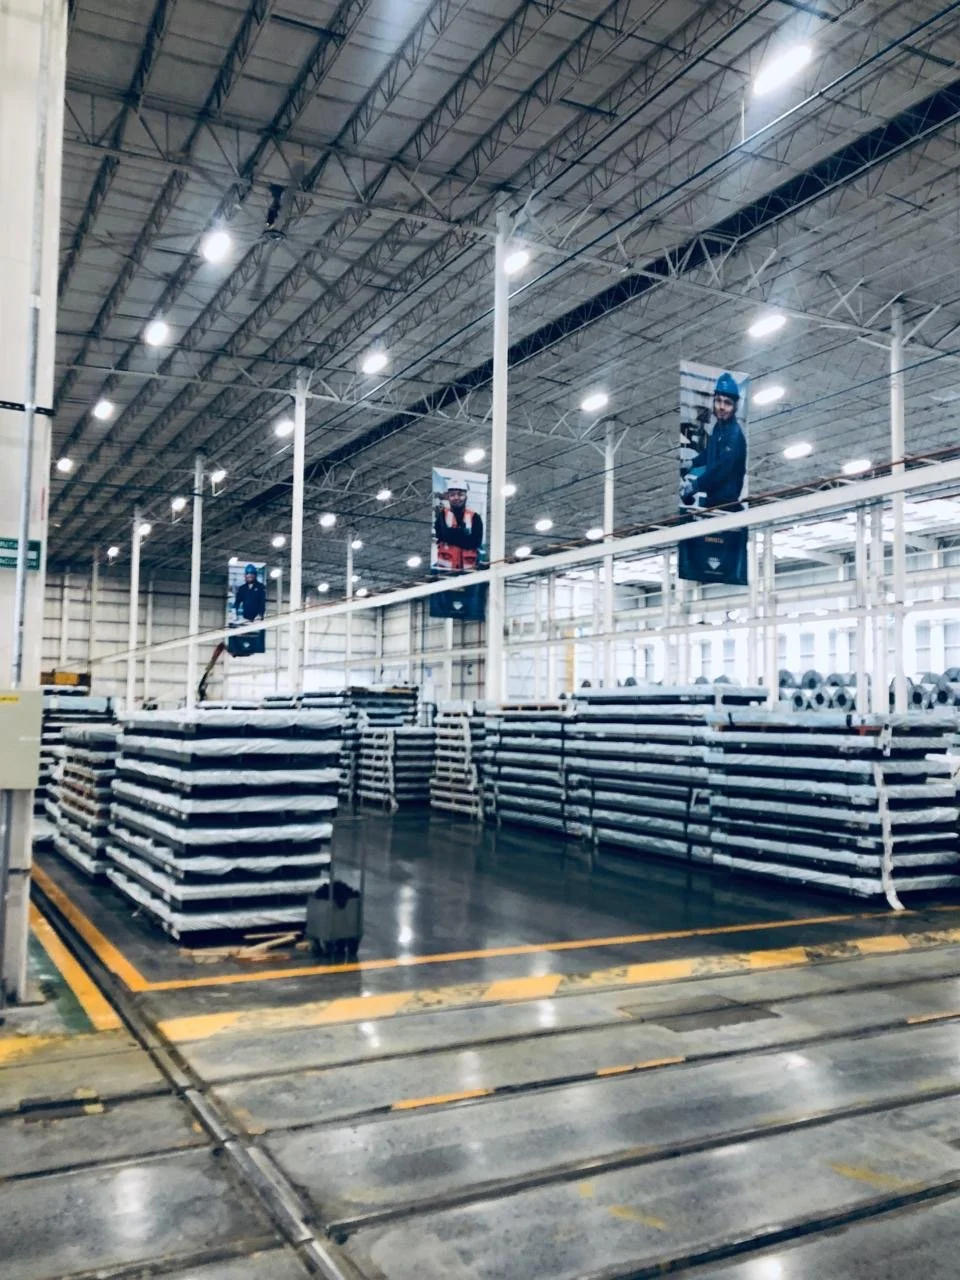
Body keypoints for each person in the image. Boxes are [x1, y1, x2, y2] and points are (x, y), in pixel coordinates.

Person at [680, 372, 747, 510]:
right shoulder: (719, 427)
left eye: (727, 403)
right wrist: (692, 462)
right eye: (718, 401)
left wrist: (695, 486)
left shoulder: (734, 435)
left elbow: (721, 469)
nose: (721, 407)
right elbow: (710, 451)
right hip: (714, 500)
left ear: (735, 406)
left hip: (727, 505)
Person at [434, 476, 484, 571]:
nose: (456, 498)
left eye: (460, 494)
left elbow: (475, 542)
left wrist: (452, 534)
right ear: (448, 497)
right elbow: (445, 535)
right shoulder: (442, 516)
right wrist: (464, 535)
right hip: (445, 573)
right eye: (452, 495)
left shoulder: (475, 517)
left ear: (466, 496)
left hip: (469, 573)